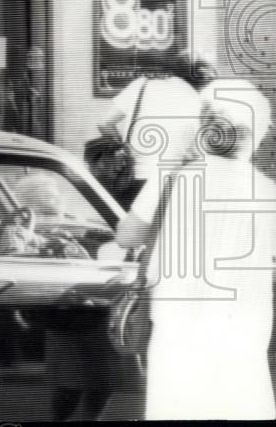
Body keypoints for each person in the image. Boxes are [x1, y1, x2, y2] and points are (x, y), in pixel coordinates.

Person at [116, 79, 276, 420]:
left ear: (204, 128)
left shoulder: (170, 179)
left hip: (177, 334)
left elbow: (126, 236)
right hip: (243, 336)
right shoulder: (268, 194)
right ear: (256, 136)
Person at [96, 51, 208, 209]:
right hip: (170, 184)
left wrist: (123, 148)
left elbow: (104, 123)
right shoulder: (199, 101)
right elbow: (198, 153)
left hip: (132, 179)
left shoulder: (141, 85)